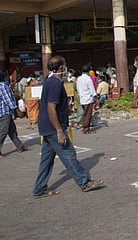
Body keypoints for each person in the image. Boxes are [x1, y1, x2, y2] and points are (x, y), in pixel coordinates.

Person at [32, 56, 104, 198]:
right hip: (53, 127)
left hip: (47, 126)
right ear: (60, 68)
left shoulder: (50, 80)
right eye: (64, 66)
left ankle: (39, 188)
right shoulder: (54, 83)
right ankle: (84, 182)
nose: (66, 68)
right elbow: (51, 108)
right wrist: (59, 130)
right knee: (68, 154)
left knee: (46, 159)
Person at [0, 71, 29, 158]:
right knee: (3, 131)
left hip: (4, 111)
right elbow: (8, 100)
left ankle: (20, 146)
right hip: (5, 111)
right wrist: (16, 109)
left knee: (12, 130)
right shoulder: (3, 86)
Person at [76, 65, 97, 134]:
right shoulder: (88, 79)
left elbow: (78, 88)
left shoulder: (79, 79)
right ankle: (86, 128)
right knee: (88, 114)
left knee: (85, 113)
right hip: (88, 98)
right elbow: (92, 88)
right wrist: (95, 96)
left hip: (82, 98)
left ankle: (84, 126)